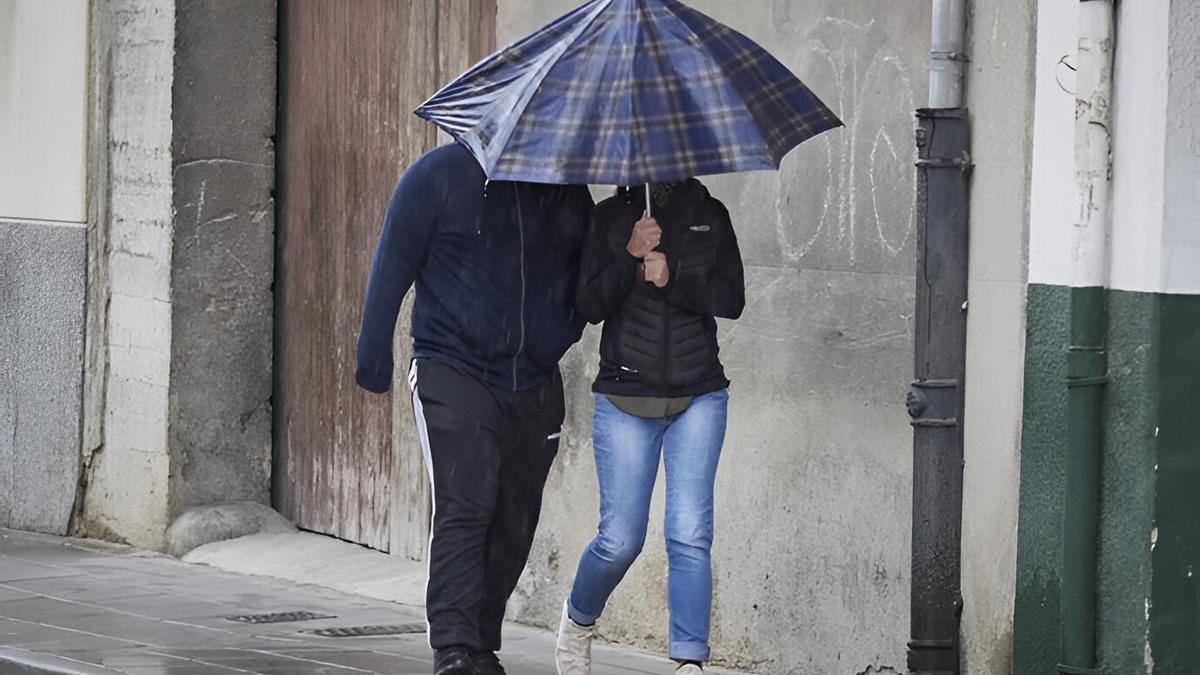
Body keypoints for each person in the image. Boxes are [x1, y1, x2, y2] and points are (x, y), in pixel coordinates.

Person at [356, 142, 593, 675]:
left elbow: (587, 285)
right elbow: (392, 262)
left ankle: (482, 643)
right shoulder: (437, 177)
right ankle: (455, 648)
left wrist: (559, 333)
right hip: (452, 363)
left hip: (533, 377)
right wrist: (372, 357)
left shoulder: (567, 192)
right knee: (468, 499)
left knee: (515, 516)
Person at [555, 180, 746, 675]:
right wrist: (629, 253)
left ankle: (689, 660)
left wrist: (673, 273)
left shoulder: (710, 213)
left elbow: (732, 297)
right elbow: (588, 306)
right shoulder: (610, 218)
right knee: (620, 540)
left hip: (698, 394)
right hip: (625, 396)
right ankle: (578, 621)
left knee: (689, 534)